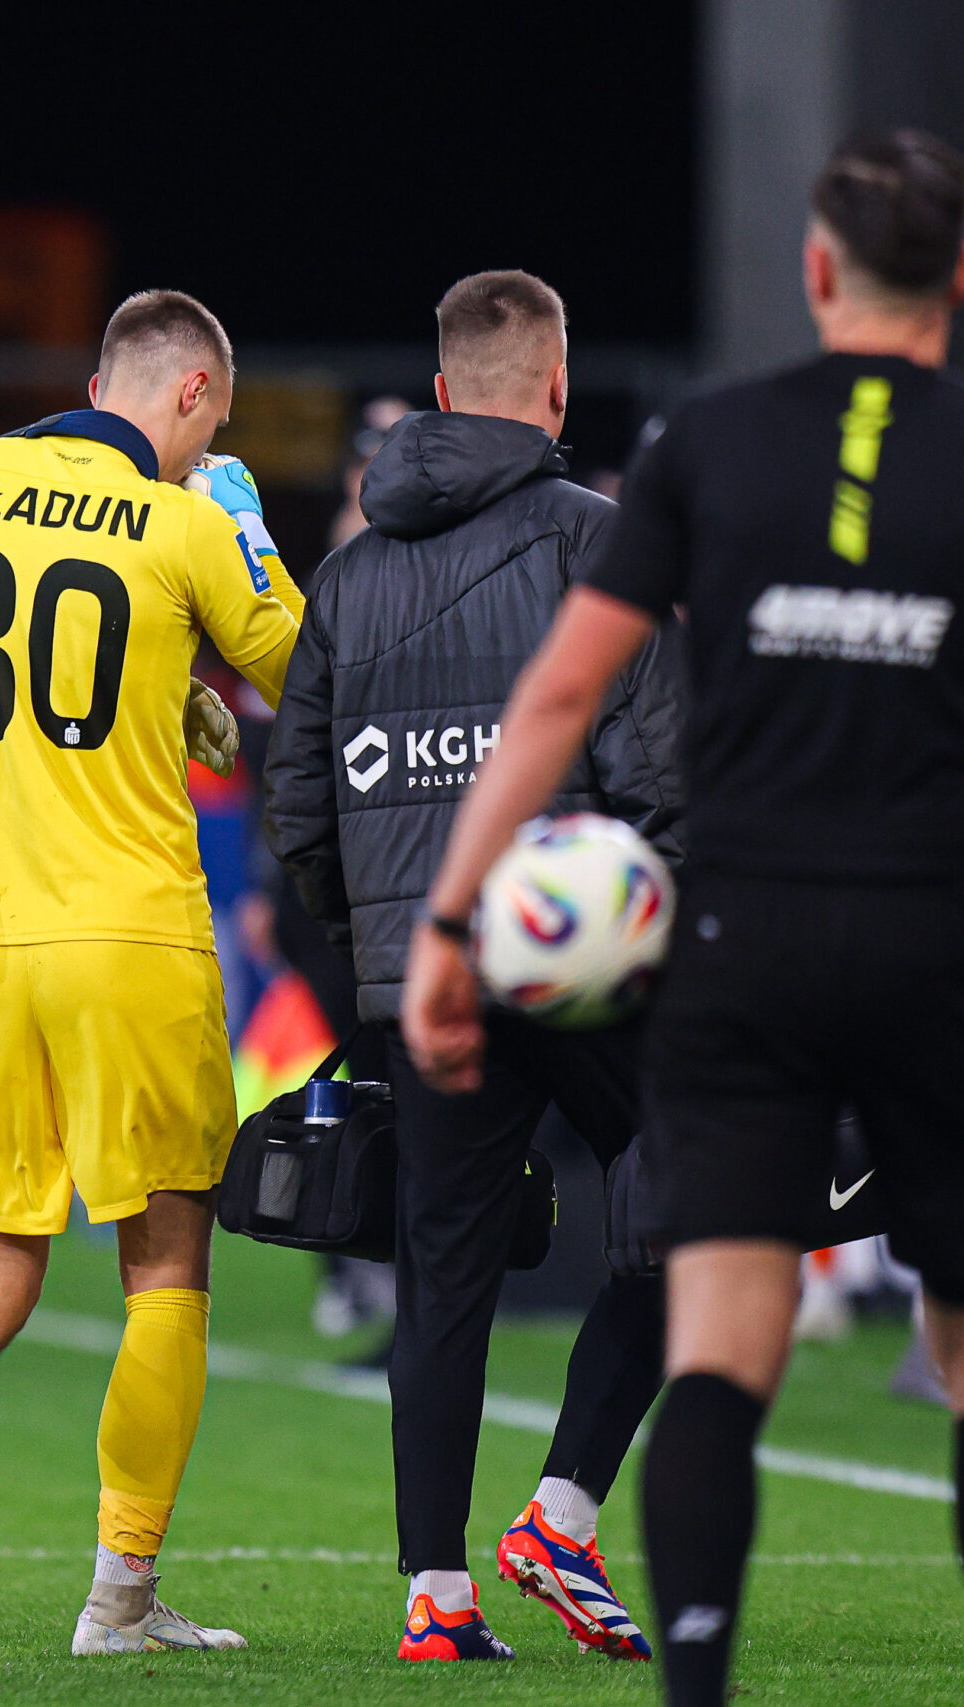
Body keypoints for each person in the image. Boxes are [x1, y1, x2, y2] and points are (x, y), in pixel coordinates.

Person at [400, 130, 964, 1707]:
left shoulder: (701, 446)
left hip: (746, 954)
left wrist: (455, 923)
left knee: (728, 1341)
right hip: (957, 948)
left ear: (814, 275)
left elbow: (557, 699)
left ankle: (698, 1686)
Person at [0, 289, 303, 1662]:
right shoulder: (191, 516)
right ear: (195, 397)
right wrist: (243, 527)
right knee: (164, 1270)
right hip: (130, 936)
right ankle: (120, 1598)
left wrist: (153, 689)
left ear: (96, 379)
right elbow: (309, 676)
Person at [264, 268, 681, 1664]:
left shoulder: (349, 571)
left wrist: (378, 942)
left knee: (443, 1272)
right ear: (556, 386)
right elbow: (664, 769)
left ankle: (433, 1596)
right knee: (714, 1193)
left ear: (442, 392)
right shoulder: (598, 539)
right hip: (589, 961)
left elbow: (300, 807)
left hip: (419, 968)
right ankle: (562, 1507)